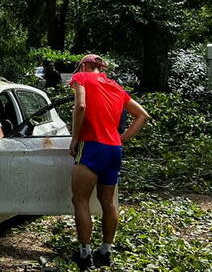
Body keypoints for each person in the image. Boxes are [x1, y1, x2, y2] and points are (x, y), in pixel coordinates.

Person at [68, 54, 150, 270]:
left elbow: (81, 106)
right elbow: (142, 115)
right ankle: (106, 250)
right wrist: (121, 138)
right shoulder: (115, 86)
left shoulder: (81, 78)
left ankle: (85, 255)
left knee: (80, 200)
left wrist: (75, 139)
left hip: (91, 146)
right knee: (108, 201)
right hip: (114, 149)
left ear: (85, 66)